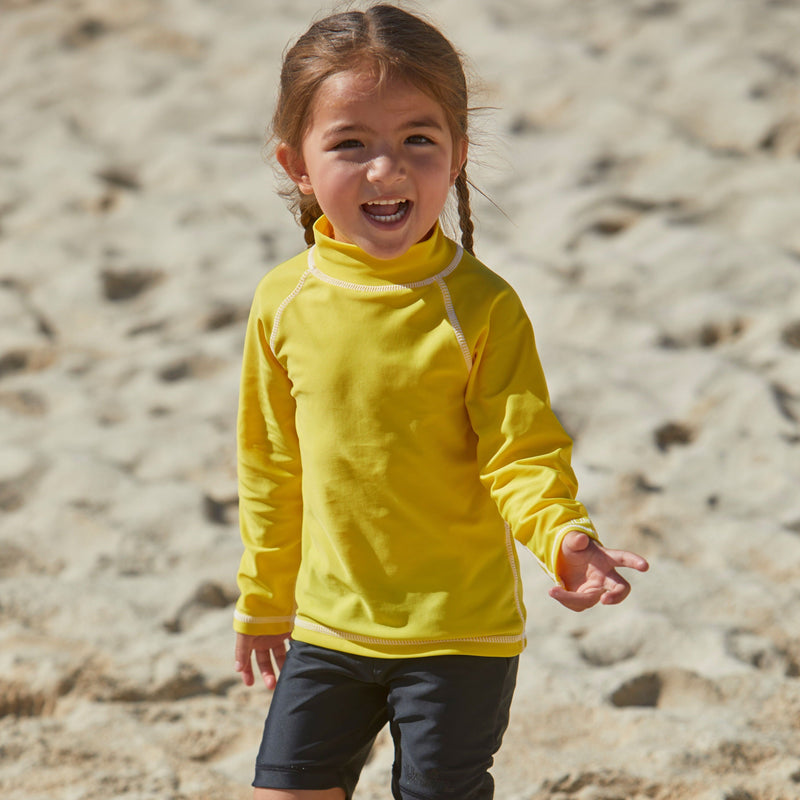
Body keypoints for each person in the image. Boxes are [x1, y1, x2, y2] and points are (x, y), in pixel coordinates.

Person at [232, 5, 649, 800]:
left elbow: (520, 452)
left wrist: (566, 538)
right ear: (297, 163)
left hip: (459, 634)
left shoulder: (483, 307)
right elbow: (269, 464)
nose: (386, 171)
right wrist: (263, 598)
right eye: (350, 143)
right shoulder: (283, 302)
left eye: (417, 140)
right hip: (327, 625)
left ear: (456, 154)